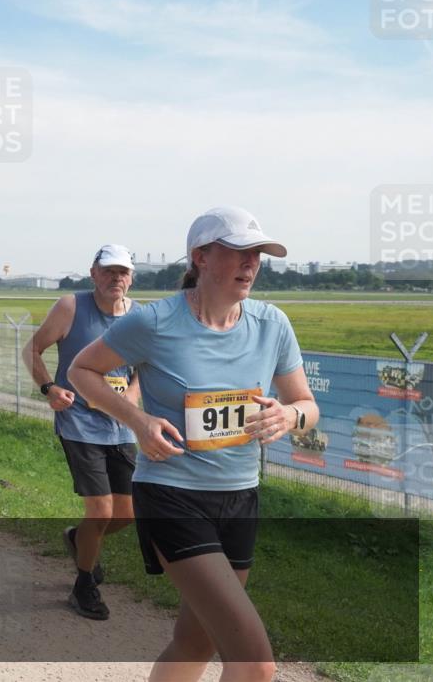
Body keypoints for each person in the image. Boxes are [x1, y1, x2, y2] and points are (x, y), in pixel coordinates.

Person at [69, 206, 319, 682]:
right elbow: (83, 370)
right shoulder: (156, 321)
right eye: (239, 252)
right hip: (172, 495)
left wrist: (290, 415)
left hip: (241, 496)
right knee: (256, 665)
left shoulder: (272, 324)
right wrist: (139, 422)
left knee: (195, 640)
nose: (252, 264)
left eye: (258, 255)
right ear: (201, 257)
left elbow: (306, 404)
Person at [23, 244, 140, 620]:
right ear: (93, 274)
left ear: (131, 278)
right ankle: (84, 584)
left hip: (122, 426)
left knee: (127, 514)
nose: (115, 279)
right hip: (79, 422)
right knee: (101, 510)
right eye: (108, 271)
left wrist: (131, 401)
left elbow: (142, 369)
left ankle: (78, 539)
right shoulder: (71, 307)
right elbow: (33, 350)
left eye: (122, 272)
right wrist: (48, 389)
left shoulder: (138, 317)